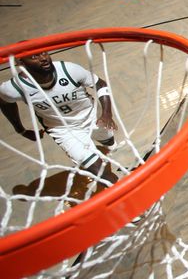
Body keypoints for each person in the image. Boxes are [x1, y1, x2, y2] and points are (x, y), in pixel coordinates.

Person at [0, 51, 118, 184]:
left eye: (44, 53)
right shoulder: (13, 88)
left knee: (107, 140)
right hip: (63, 130)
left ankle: (111, 147)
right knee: (99, 171)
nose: (43, 58)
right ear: (20, 63)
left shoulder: (68, 69)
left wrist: (107, 113)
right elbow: (4, 102)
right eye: (34, 56)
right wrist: (20, 129)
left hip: (91, 115)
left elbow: (100, 84)